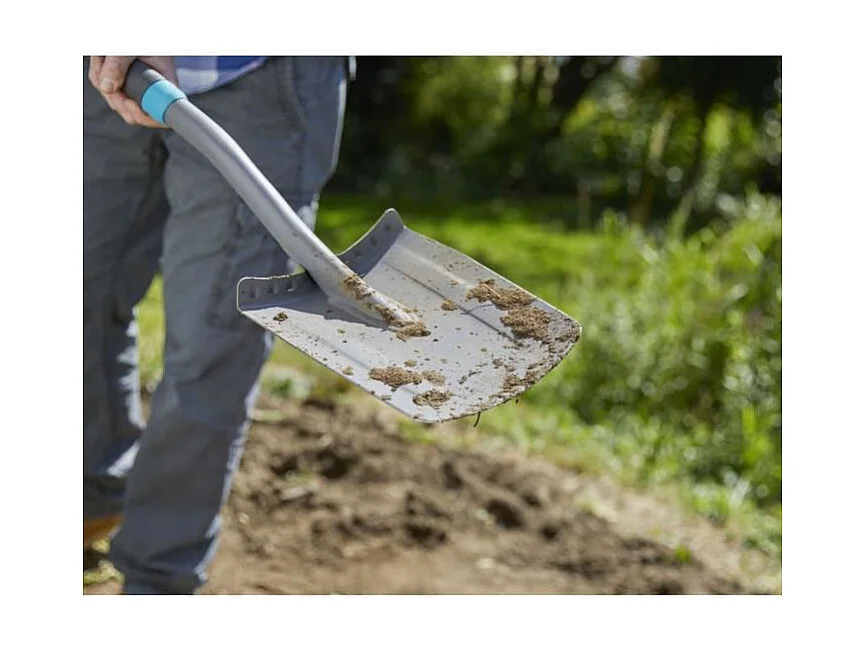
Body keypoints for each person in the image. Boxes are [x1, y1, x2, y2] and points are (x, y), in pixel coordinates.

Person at [84, 55, 348, 594]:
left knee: (211, 344)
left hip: (259, 70)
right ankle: (90, 495)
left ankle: (158, 581)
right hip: (96, 59)